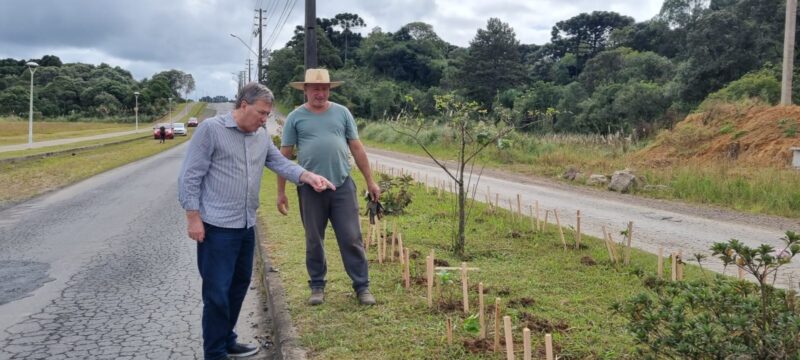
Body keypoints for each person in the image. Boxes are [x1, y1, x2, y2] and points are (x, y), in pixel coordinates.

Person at [178, 82, 335, 360]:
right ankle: (214, 352)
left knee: (238, 286)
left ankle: (227, 339)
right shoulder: (211, 130)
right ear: (243, 105)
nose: (264, 120)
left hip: (246, 225)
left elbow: (280, 163)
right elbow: (190, 176)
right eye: (261, 113)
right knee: (217, 292)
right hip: (216, 227)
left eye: (267, 115)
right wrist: (193, 218)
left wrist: (308, 176)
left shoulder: (260, 136)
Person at [277, 68, 380, 306]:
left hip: (342, 186)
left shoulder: (342, 113)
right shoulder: (295, 117)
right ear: (305, 90)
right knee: (314, 239)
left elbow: (356, 147)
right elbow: (284, 156)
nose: (320, 94)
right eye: (315, 89)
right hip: (310, 189)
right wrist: (281, 192)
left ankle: (362, 286)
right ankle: (317, 286)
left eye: (324, 89)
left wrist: (370, 181)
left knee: (351, 237)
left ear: (329, 90)